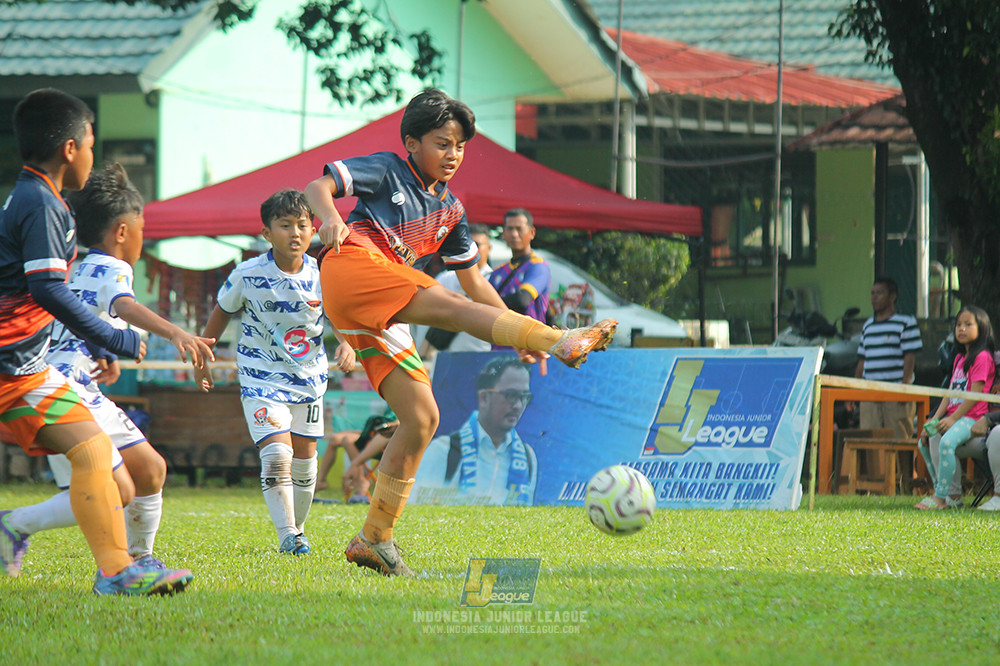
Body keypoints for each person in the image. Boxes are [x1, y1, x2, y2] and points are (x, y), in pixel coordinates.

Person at [305, 88, 616, 576]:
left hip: (376, 305)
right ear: (412, 142)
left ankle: (373, 539)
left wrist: (518, 336)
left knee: (423, 417)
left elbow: (477, 283)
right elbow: (317, 186)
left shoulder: (452, 213)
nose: (453, 155)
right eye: (442, 143)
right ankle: (560, 338)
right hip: (352, 268)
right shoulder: (388, 169)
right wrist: (328, 218)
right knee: (446, 304)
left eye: (459, 146)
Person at [0, 88, 192, 595]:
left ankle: (117, 569)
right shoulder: (42, 204)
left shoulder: (38, 199)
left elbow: (44, 293)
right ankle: (116, 569)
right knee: (97, 461)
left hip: (29, 366)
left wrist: (101, 346)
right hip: (13, 366)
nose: (92, 152)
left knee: (103, 466)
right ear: (69, 148)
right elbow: (46, 288)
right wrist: (111, 335)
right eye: (89, 142)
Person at [195, 189, 355, 555]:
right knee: (277, 455)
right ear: (266, 233)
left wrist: (347, 343)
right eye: (285, 226)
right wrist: (205, 353)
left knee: (304, 459)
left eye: (303, 225)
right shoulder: (248, 274)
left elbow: (337, 315)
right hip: (261, 377)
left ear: (313, 229)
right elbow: (221, 311)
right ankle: (288, 536)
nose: (295, 233)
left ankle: (296, 529)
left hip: (309, 379)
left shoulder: (323, 272)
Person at [416, 355, 537, 505]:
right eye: (511, 395)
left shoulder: (527, 457)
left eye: (524, 397)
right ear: (484, 398)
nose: (518, 405)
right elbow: (418, 508)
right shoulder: (442, 451)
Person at [915, 305, 996, 510]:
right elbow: (951, 393)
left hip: (971, 418)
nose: (961, 329)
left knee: (946, 442)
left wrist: (952, 419)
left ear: (982, 328)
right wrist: (936, 418)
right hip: (955, 416)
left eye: (968, 324)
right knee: (925, 440)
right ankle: (948, 494)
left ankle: (940, 499)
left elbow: (974, 395)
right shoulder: (959, 358)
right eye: (959, 324)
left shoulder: (983, 357)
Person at [854, 277, 923, 476]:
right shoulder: (868, 326)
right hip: (870, 393)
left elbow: (910, 357)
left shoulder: (905, 322)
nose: (874, 298)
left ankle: (905, 481)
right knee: (870, 438)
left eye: (880, 293)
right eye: (872, 293)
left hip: (896, 392)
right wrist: (855, 390)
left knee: (900, 436)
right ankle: (876, 482)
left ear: (892, 297)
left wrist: (904, 387)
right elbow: (862, 360)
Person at [419, 224, 493, 355]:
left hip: (480, 354)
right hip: (444, 357)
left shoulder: (494, 279)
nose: (473, 249)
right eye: (470, 244)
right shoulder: (446, 277)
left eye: (477, 244)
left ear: (489, 248)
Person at [488, 209, 551, 332]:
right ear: (504, 233)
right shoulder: (497, 272)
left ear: (532, 232)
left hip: (529, 346)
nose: (514, 234)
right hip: (498, 346)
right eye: (510, 229)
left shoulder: (538, 266)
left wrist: (489, 305)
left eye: (519, 229)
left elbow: (522, 300)